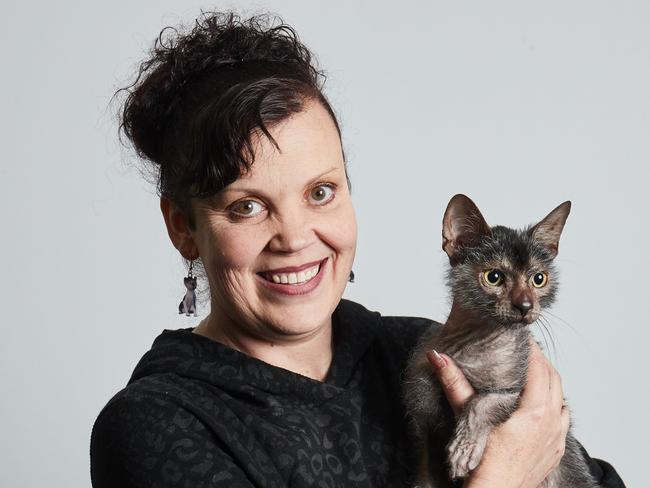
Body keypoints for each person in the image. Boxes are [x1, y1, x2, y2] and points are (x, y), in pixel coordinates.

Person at [90, 11, 625, 488]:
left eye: (320, 193)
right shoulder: (154, 425)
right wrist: (503, 477)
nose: (296, 239)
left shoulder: (425, 353)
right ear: (183, 227)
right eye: (248, 206)